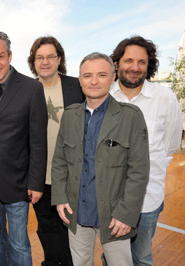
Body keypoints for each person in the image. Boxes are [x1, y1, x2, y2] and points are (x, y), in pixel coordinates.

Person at [51, 52, 150, 266]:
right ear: (80, 80)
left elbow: (139, 172)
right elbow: (59, 161)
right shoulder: (69, 116)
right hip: (76, 213)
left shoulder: (130, 116)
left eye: (101, 75)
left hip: (115, 216)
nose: (94, 81)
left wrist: (127, 214)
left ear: (113, 77)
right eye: (87, 76)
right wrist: (60, 198)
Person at [0, 30, 48, 266]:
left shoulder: (32, 88)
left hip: (18, 183)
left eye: (0, 56)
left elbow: (38, 140)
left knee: (19, 242)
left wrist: (35, 182)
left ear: (10, 56)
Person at [110, 36, 183, 266]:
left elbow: (170, 144)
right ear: (116, 63)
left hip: (147, 199)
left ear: (148, 65)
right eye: (128, 60)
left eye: (141, 62)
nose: (135, 67)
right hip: (110, 198)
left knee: (141, 258)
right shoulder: (104, 96)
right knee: (112, 257)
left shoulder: (165, 98)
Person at [27, 36, 85, 266]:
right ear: (33, 61)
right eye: (39, 57)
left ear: (59, 58)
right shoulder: (27, 90)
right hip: (40, 176)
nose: (45, 61)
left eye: (51, 56)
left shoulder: (76, 87)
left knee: (72, 228)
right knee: (47, 227)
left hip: (72, 175)